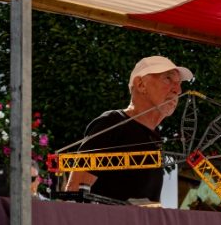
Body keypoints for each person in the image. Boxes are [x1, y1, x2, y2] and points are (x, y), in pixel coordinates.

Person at [64, 55, 193, 203]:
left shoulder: (155, 135)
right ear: (140, 85)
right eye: (168, 79)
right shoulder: (112, 123)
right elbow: (74, 192)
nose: (178, 90)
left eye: (179, 83)